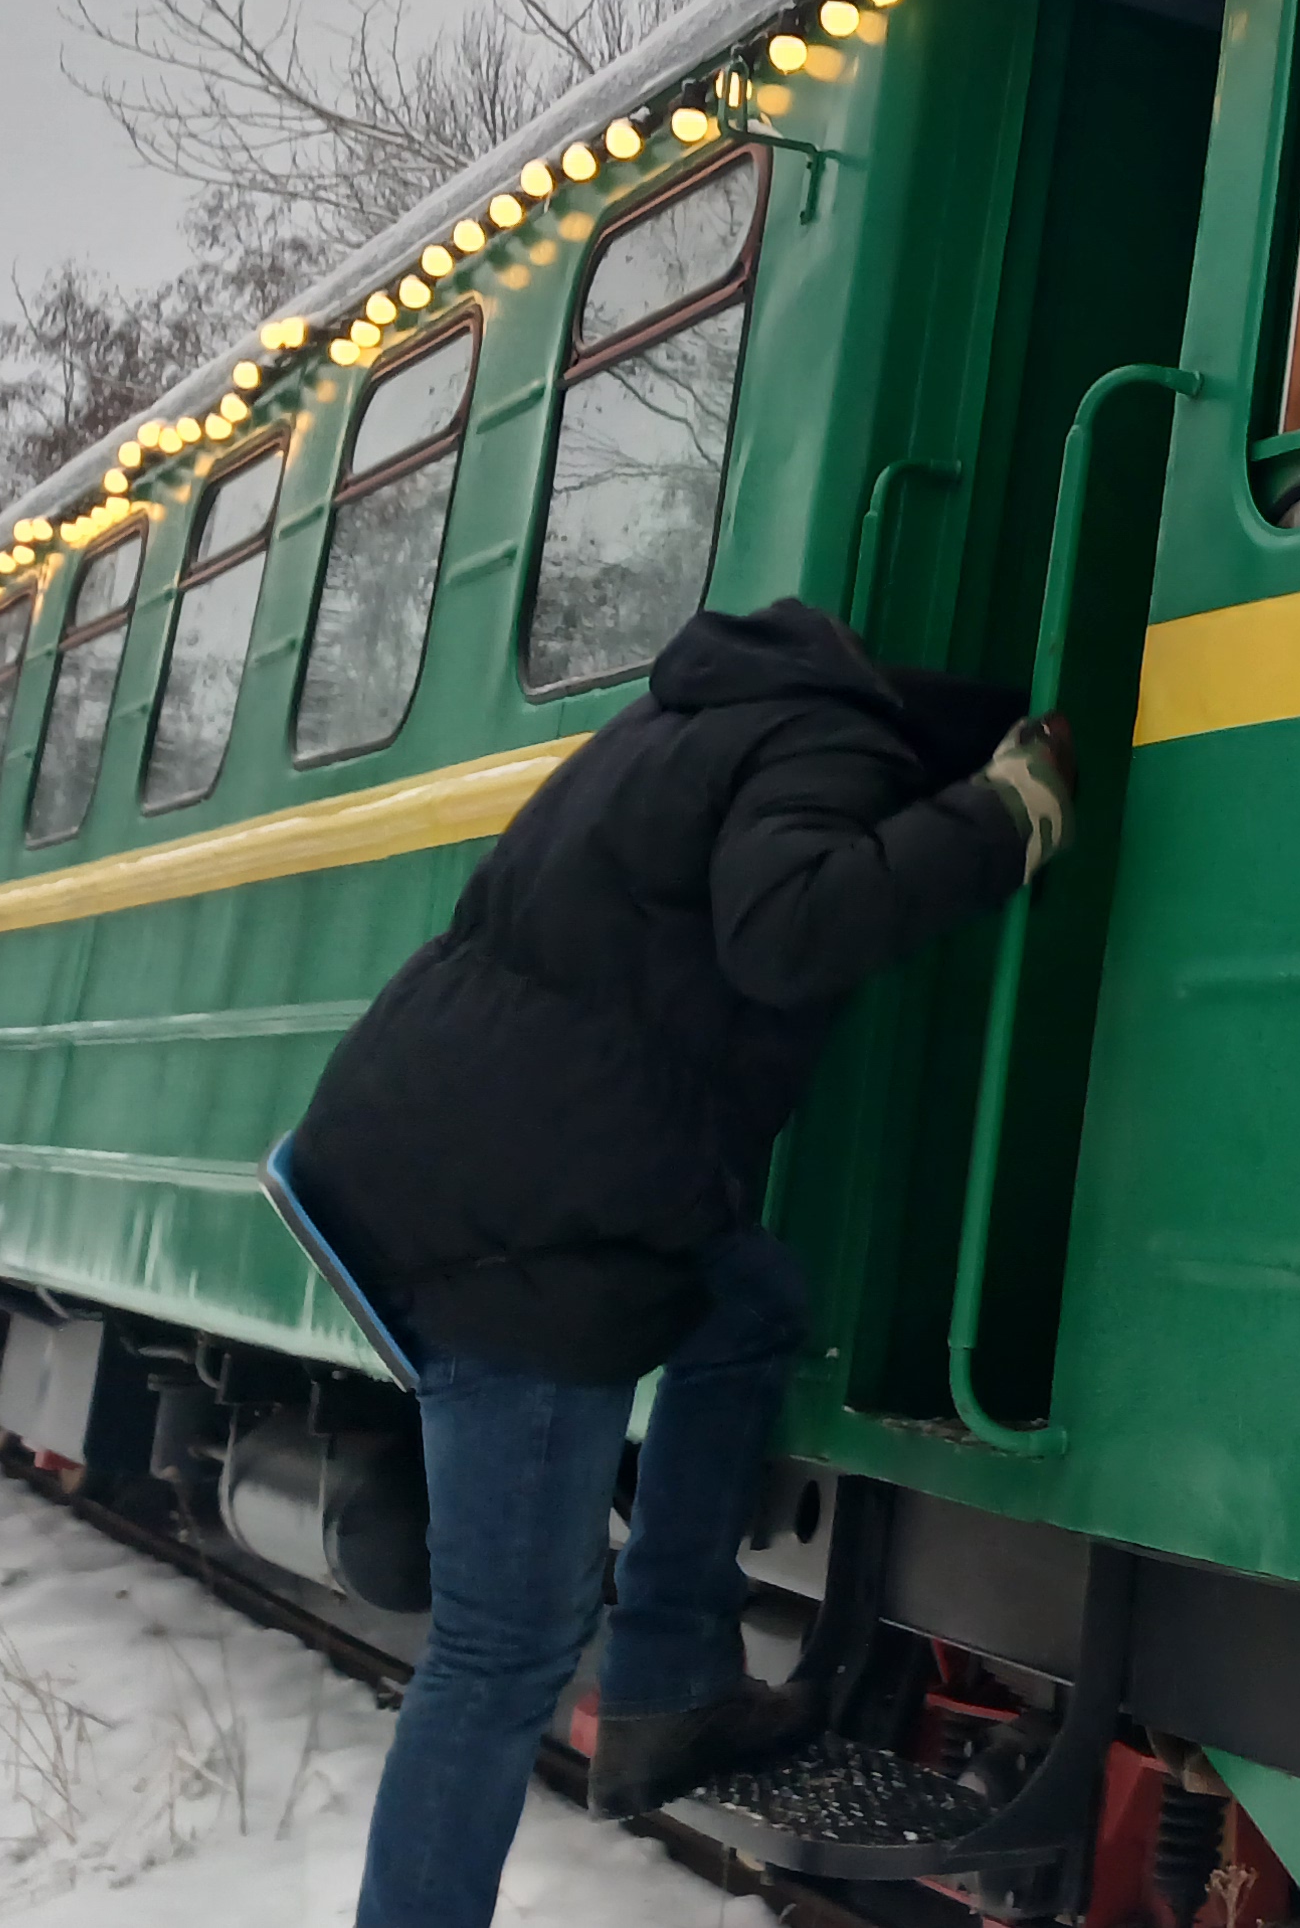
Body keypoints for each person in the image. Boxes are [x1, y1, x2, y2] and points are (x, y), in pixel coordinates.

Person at [287, 599, 1074, 1928]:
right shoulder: (839, 744)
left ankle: (665, 1682)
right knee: (503, 1651)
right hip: (524, 1220)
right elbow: (790, 931)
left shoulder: (689, 720)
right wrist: (1005, 819)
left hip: (445, 1152)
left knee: (748, 1299)